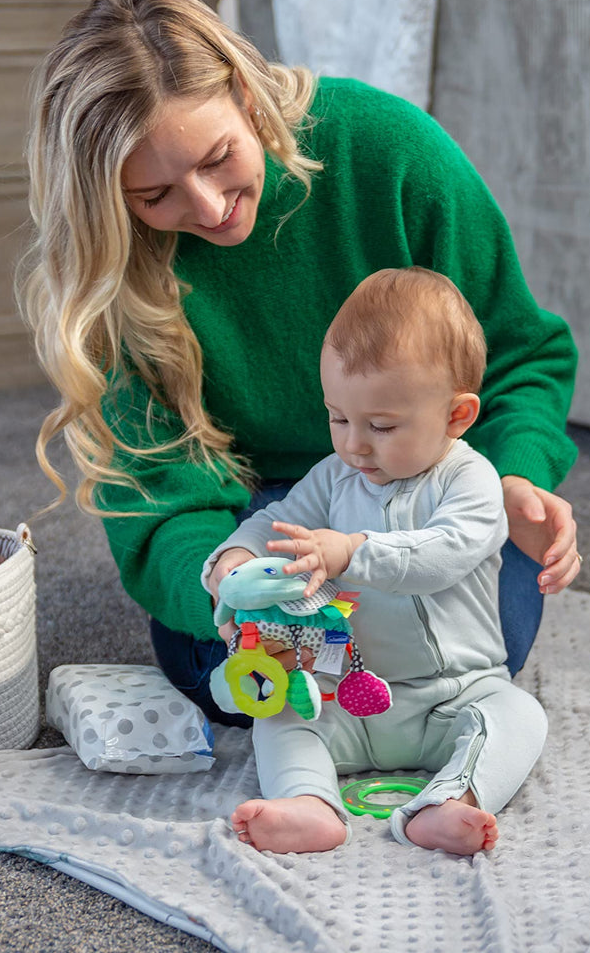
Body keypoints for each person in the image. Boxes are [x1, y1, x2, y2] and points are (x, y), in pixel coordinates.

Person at [19, 0, 582, 728]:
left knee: (468, 652)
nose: (209, 208)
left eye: (219, 157)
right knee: (236, 668)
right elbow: (158, 495)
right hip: (262, 511)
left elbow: (519, 352)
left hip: (428, 479)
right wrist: (223, 579)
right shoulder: (112, 270)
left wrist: (517, 478)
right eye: (155, 196)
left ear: (248, 100)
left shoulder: (387, 150)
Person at [205, 267, 549, 855]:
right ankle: (310, 804)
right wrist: (233, 562)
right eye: (338, 417)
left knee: (519, 716)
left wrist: (350, 550)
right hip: (343, 692)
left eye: (382, 426)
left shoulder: (472, 480)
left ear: (456, 416)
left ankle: (450, 801)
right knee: (283, 717)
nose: (354, 444)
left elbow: (440, 555)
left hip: (454, 692)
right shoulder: (336, 476)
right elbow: (273, 524)